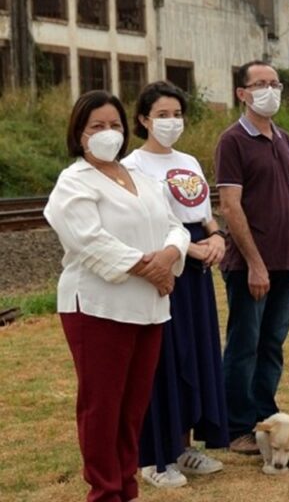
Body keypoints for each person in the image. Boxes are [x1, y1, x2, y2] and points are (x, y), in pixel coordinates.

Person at [44, 90, 189, 502]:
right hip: (97, 307)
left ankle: (126, 486)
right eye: (97, 126)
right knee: (101, 408)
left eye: (114, 125)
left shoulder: (140, 178)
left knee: (131, 408)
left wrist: (170, 255)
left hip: (147, 308)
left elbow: (175, 225)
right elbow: (89, 240)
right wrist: (153, 268)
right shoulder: (74, 181)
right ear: (79, 133)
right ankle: (105, 491)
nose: (108, 133)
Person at [122, 81, 230, 487]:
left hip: (198, 274)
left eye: (177, 115)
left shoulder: (188, 160)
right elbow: (143, 223)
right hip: (165, 268)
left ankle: (184, 446)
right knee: (163, 360)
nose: (171, 122)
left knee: (196, 357)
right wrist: (188, 251)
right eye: (162, 115)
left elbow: (202, 214)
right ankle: (154, 457)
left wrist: (217, 236)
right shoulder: (133, 166)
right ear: (143, 119)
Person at [215, 61, 289, 453]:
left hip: (286, 261)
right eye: (260, 84)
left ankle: (264, 412)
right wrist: (254, 263)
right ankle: (236, 425)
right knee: (245, 344)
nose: (269, 90)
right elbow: (230, 205)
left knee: (273, 342)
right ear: (242, 93)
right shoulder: (232, 141)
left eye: (275, 83)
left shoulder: (284, 139)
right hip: (250, 266)